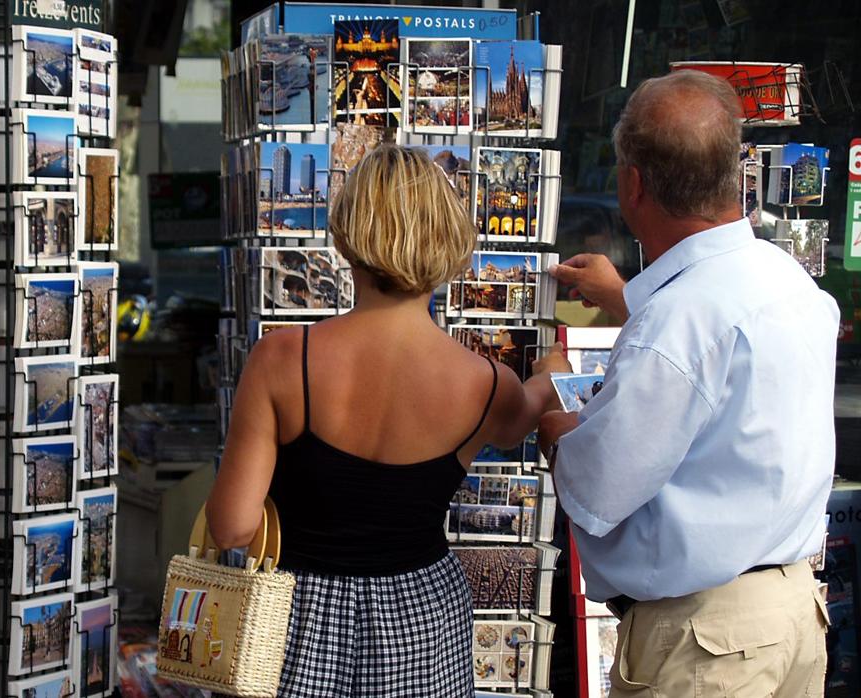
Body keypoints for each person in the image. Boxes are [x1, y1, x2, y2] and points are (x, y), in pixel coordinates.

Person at [205, 145, 570, 696]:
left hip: (295, 619)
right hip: (422, 619)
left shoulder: (281, 360)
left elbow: (231, 526)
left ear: (346, 238)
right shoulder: (485, 384)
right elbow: (524, 413)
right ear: (449, 242)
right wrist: (552, 374)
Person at [540, 70, 838, 697]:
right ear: (735, 174)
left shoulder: (679, 320)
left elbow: (596, 491)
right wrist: (629, 300)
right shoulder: (788, 279)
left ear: (633, 185)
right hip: (792, 615)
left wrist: (556, 420)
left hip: (711, 641)